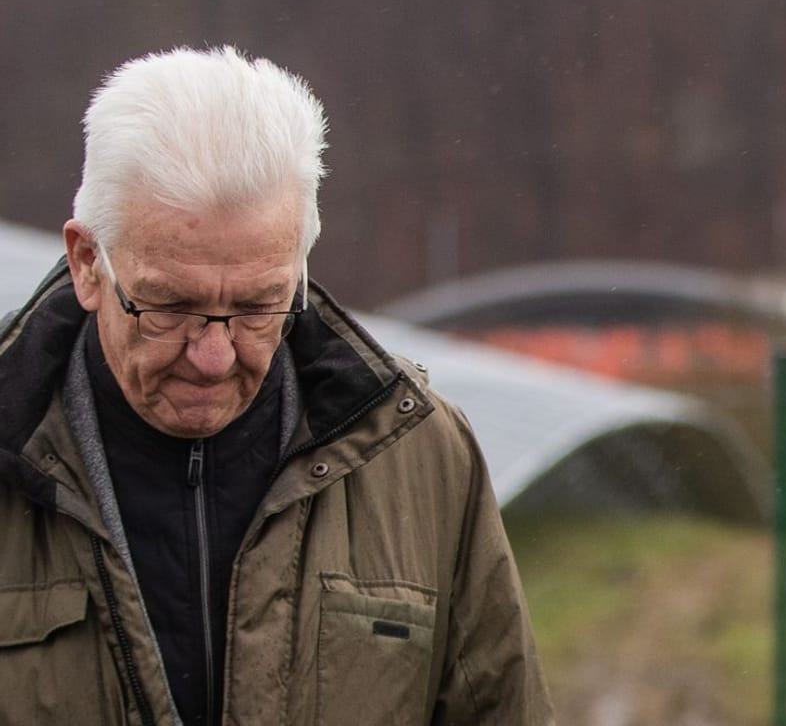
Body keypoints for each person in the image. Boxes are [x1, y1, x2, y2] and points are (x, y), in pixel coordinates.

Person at [0, 47, 554, 725]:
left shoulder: (422, 458)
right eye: (171, 305)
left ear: (301, 264)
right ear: (88, 262)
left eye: (259, 306)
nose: (213, 355)